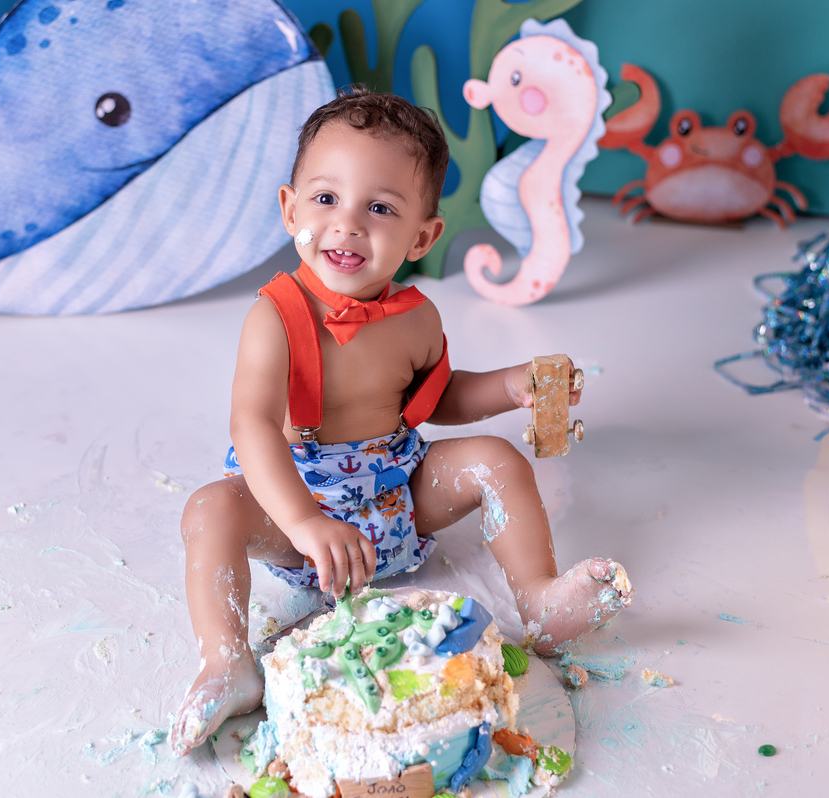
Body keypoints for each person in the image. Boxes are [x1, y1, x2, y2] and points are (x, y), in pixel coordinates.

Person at [170, 88, 631, 756]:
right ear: (290, 209)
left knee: (496, 459)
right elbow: (254, 426)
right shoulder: (275, 318)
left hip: (396, 499)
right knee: (210, 509)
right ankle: (227, 662)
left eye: (380, 208)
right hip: (295, 513)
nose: (347, 224)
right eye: (326, 198)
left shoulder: (415, 318)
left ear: (421, 236)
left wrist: (511, 387)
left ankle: (539, 600)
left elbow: (435, 400)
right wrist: (304, 522)